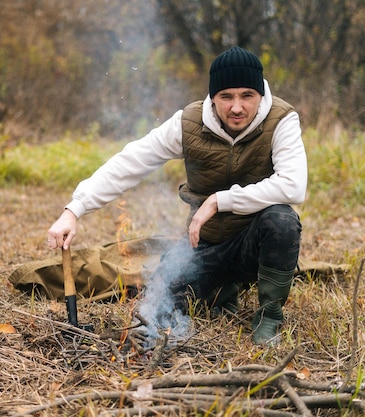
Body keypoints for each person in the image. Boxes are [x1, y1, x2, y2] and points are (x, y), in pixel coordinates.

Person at [47, 46, 307, 345]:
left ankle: (269, 317)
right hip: (202, 246)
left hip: (253, 245)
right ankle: (221, 289)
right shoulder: (188, 123)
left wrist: (218, 200)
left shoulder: (281, 119)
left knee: (282, 221)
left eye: (247, 95)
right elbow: (130, 162)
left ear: (260, 95)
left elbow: (293, 185)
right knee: (159, 303)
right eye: (226, 96)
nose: (237, 107)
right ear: (212, 98)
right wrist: (74, 209)